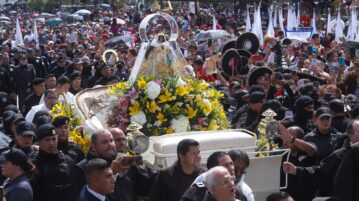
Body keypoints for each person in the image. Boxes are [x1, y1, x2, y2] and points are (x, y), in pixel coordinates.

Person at [282, 120, 359, 197]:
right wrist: (295, 170)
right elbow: (321, 172)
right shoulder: (340, 155)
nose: (286, 142)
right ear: (350, 135)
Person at [30, 123, 75, 201]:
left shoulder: (68, 162)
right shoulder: (33, 164)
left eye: (54, 139)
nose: (51, 143)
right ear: (39, 142)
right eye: (47, 140)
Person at [180, 151, 246, 201]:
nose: (232, 168)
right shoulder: (195, 194)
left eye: (231, 164)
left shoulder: (237, 193)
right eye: (226, 166)